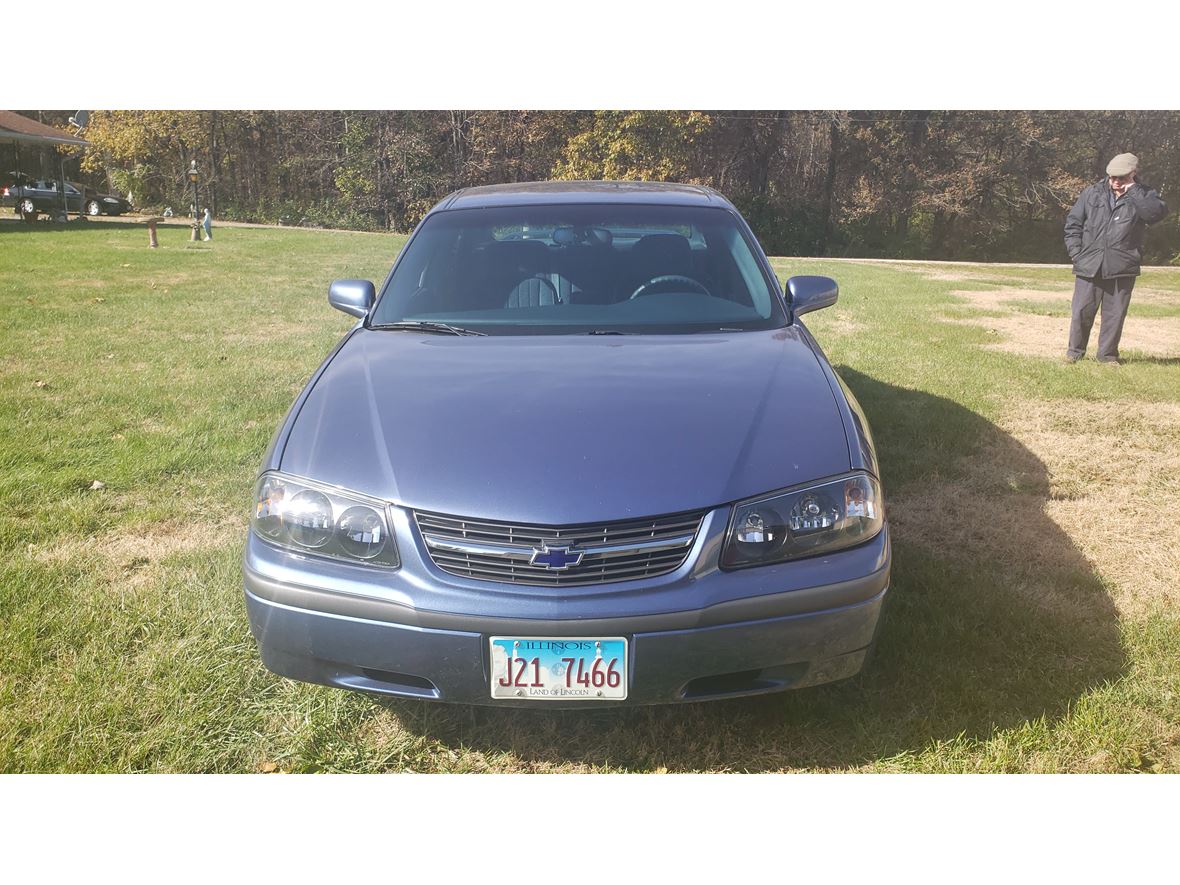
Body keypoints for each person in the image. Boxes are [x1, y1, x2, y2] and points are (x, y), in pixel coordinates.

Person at [1063, 153, 1168, 364]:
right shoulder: (1091, 193)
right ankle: (1074, 354)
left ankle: (1108, 356)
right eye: (1112, 178)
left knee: (1115, 315)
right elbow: (1073, 225)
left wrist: (1135, 192)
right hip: (1089, 264)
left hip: (1122, 264)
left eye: (1121, 178)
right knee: (1081, 312)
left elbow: (1154, 215)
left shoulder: (1144, 195)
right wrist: (1076, 253)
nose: (1116, 182)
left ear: (1133, 174)